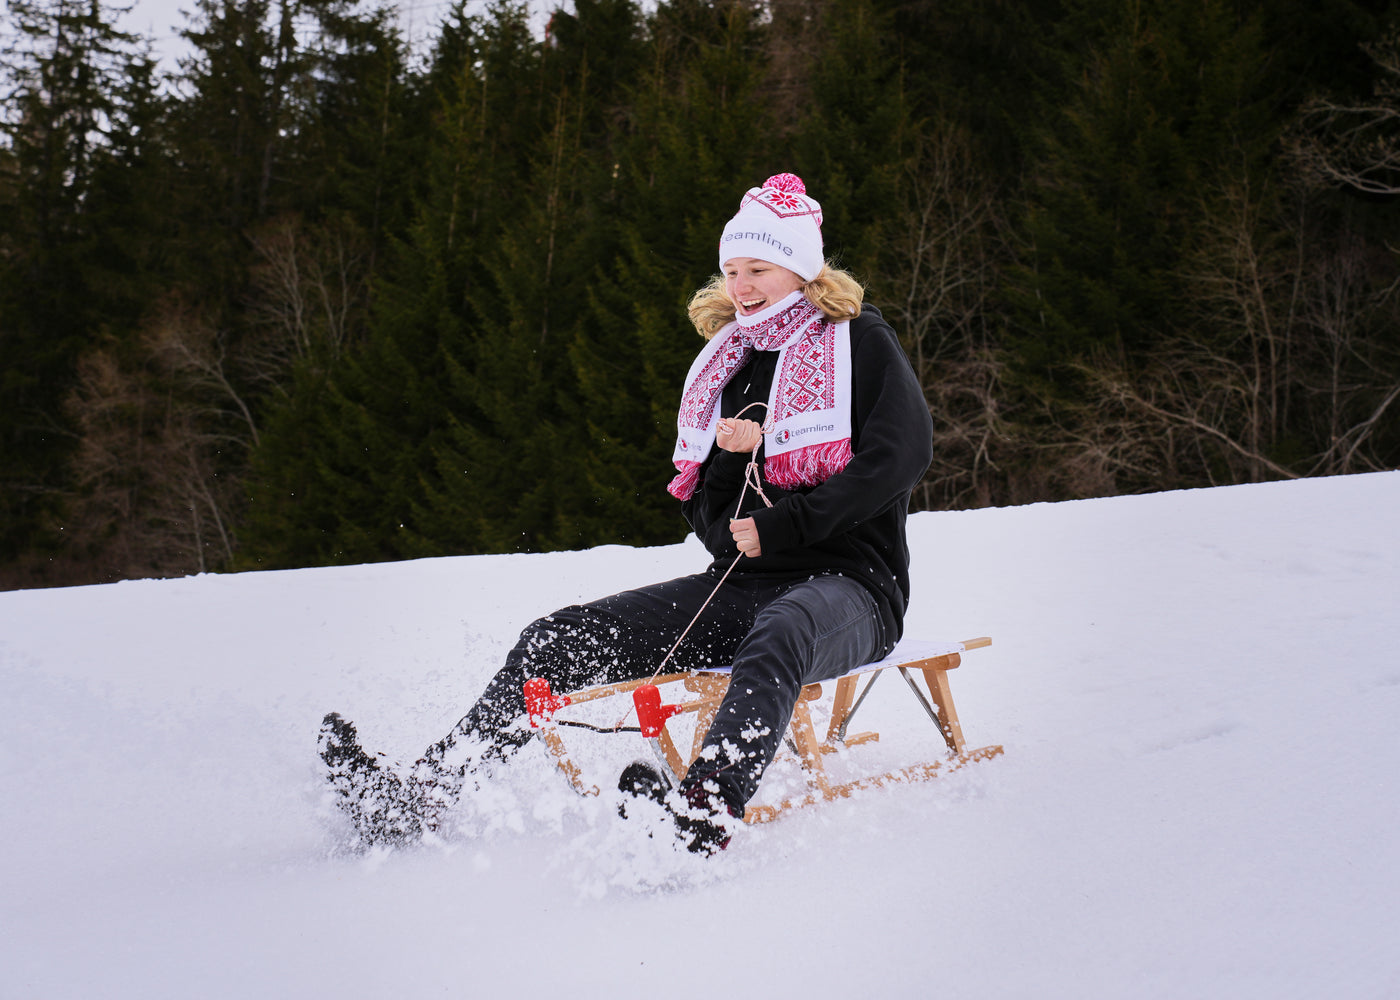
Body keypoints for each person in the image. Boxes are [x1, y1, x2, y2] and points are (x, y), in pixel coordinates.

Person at [319, 172, 934, 854]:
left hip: (855, 589)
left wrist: (787, 524)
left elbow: (900, 456)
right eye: (732, 271)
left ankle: (702, 812)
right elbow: (709, 522)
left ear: (800, 270)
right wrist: (730, 466)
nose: (742, 287)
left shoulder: (857, 343)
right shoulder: (727, 365)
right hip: (742, 585)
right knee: (559, 638)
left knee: (781, 631)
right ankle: (425, 791)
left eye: (759, 268)